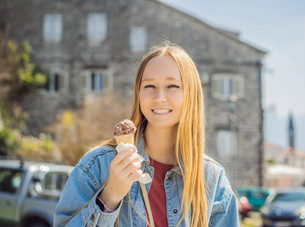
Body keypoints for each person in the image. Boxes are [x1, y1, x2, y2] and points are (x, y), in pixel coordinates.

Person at [54, 42, 239, 227]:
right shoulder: (98, 165)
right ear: (138, 93)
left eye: (172, 86)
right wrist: (109, 197)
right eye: (149, 86)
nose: (159, 97)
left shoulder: (212, 178)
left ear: (191, 95)